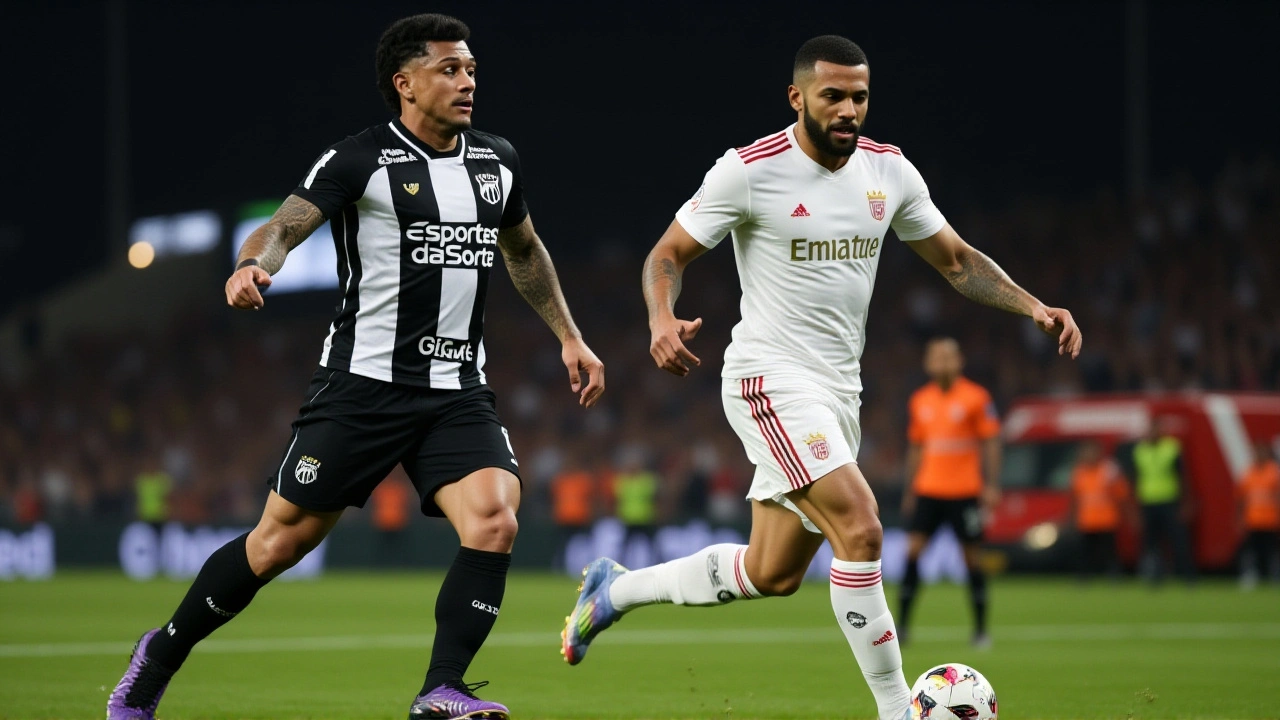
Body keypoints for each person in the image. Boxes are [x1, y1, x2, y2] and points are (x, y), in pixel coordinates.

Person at [559, 35, 1081, 720]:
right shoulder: (749, 171)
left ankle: (611, 592)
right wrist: (661, 316)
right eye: (832, 95)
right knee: (862, 528)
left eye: (859, 96)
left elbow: (955, 261)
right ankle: (898, 710)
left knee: (770, 572)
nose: (848, 109)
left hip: (838, 393)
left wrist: (1032, 304)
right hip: (767, 378)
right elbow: (668, 252)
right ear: (797, 96)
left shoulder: (888, 172)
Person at [107, 14, 605, 720]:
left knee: (495, 520)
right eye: (449, 69)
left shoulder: (497, 161)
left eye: (470, 69)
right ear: (404, 84)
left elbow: (523, 251)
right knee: (278, 543)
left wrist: (569, 337)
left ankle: (443, 690)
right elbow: (282, 225)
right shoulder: (360, 159)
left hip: (457, 391)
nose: (467, 81)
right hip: (362, 388)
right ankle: (157, 656)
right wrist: (253, 265)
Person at [897, 338, 1001, 648]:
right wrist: (910, 490)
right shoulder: (920, 400)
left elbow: (991, 442)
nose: (941, 363)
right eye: (936, 358)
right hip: (928, 489)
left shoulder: (976, 398)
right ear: (928, 363)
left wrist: (992, 484)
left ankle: (981, 631)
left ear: (959, 361)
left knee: (972, 559)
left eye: (947, 357)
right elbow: (916, 448)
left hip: (965, 492)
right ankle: (901, 628)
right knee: (912, 553)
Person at [1131, 416, 1195, 584]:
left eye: (1156, 429)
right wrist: (1135, 507)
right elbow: (1136, 478)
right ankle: (1154, 576)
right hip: (1148, 502)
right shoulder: (1140, 450)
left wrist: (1186, 503)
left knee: (1179, 540)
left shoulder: (1171, 448)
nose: (1153, 433)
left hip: (1169, 501)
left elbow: (1183, 477)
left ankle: (1187, 576)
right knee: (1150, 543)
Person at [1068, 440, 1133, 581]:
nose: (1088, 455)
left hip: (1106, 519)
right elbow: (1075, 497)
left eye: (1091, 451)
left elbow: (1122, 495)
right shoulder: (1079, 472)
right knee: (1085, 552)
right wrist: (1072, 518)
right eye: (1085, 452)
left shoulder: (1109, 470)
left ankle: (1114, 575)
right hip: (1087, 520)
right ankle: (1084, 577)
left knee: (1109, 551)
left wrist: (1130, 515)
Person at [1236, 440, 1280, 588]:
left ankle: (1275, 576)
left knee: (1272, 551)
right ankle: (1250, 575)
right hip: (1252, 519)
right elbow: (1241, 498)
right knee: (1250, 551)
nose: (1258, 455)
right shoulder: (1248, 473)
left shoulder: (1274, 473)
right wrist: (1239, 518)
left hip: (1270, 519)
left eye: (1261, 451)